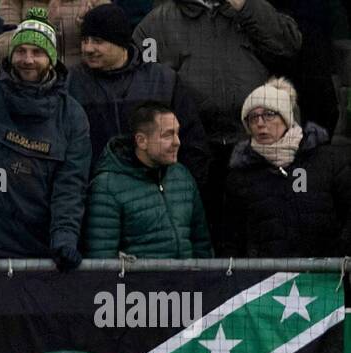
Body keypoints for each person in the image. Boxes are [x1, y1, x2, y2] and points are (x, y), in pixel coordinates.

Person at [133, 0, 302, 249]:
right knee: (203, 233)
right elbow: (144, 81)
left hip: (253, 143)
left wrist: (245, 7)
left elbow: (289, 45)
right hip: (191, 146)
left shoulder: (252, 8)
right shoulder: (160, 21)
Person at [0, 9, 91, 269]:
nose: (27, 60)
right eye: (20, 51)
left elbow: (70, 186)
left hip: (35, 250)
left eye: (37, 52)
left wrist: (65, 239)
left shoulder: (72, 116)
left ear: (52, 58)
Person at [65, 3, 208, 188]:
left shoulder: (163, 81)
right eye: (85, 40)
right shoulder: (72, 83)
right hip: (96, 196)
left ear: (121, 43)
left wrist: (181, 192)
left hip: (155, 195)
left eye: (98, 41)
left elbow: (193, 145)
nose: (88, 48)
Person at [223, 78, 351, 258]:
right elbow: (232, 238)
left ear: (286, 118)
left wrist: (340, 258)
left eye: (269, 114)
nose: (260, 123)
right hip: (266, 282)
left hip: (327, 279)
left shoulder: (327, 161)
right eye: (253, 118)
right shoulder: (241, 176)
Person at [83, 102, 212, 259]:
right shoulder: (107, 186)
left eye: (177, 133)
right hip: (138, 283)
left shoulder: (182, 176)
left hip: (186, 282)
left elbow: (201, 244)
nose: (177, 142)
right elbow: (101, 259)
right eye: (167, 135)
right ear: (142, 141)